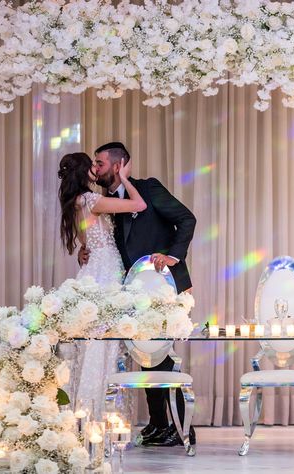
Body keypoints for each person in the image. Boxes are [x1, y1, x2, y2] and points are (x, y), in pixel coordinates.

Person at [78, 142, 197, 447]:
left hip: (163, 284)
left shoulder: (148, 188)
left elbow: (187, 219)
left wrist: (173, 256)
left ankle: (184, 429)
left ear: (118, 166)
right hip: (131, 290)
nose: (96, 168)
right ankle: (159, 425)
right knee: (146, 357)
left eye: (101, 163)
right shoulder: (105, 201)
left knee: (165, 359)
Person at [58, 152, 147, 418]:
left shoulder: (75, 201)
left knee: (91, 338)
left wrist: (82, 250)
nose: (96, 169)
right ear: (84, 172)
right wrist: (124, 179)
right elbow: (139, 205)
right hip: (106, 268)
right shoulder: (92, 199)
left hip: (92, 267)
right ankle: (99, 412)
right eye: (92, 165)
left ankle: (83, 411)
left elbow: (87, 240)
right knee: (104, 339)